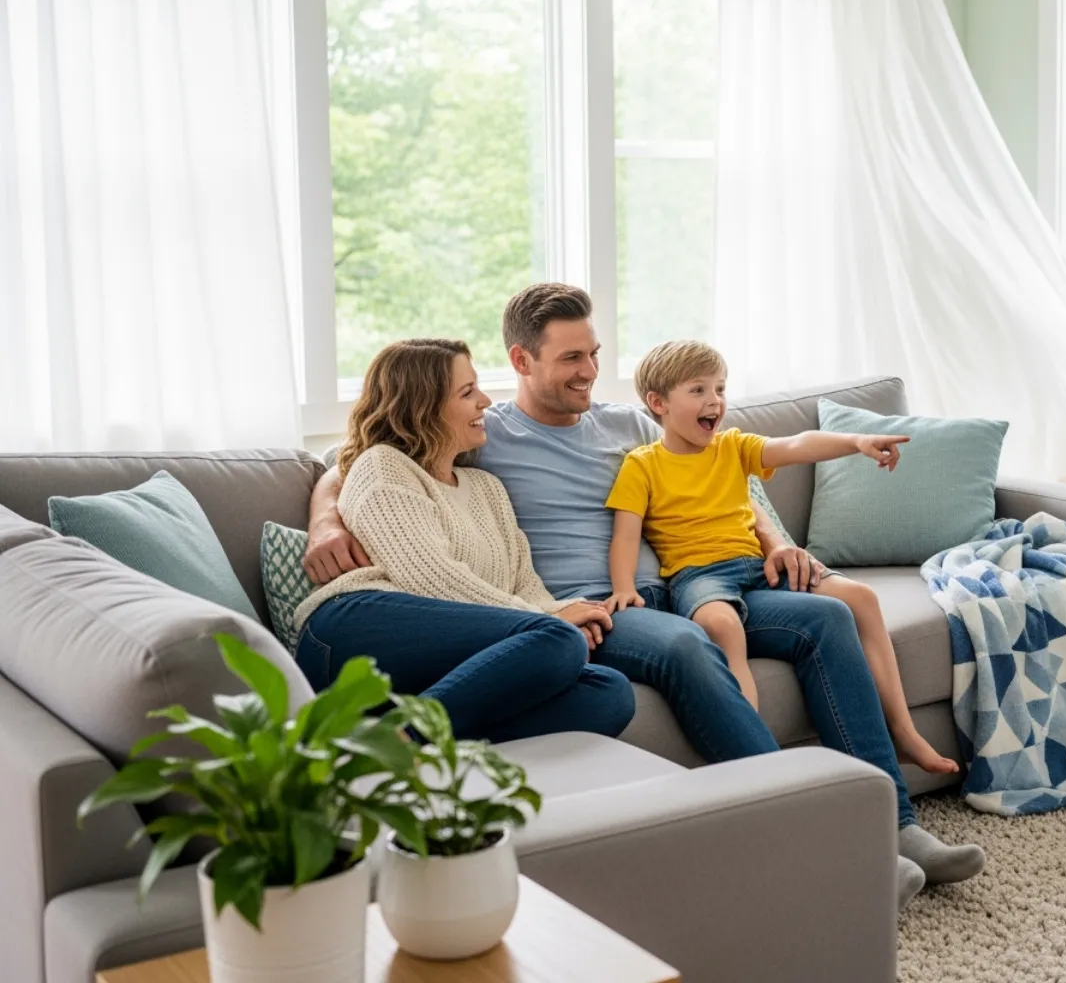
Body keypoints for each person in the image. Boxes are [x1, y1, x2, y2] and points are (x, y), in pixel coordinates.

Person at [304, 285, 984, 909]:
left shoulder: (630, 424)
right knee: (689, 648)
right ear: (522, 359)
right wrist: (326, 519)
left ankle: (896, 827)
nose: (589, 371)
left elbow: (726, 478)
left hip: (686, 584)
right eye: (570, 357)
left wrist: (775, 540)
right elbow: (363, 455)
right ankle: (814, 840)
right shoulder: (492, 435)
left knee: (827, 617)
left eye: (595, 354)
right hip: (594, 605)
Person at [607, 339, 960, 778]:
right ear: (657, 403)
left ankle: (903, 731)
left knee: (861, 597)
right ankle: (751, 759)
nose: (714, 400)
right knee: (722, 626)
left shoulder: (733, 446)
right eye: (698, 390)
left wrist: (856, 441)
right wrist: (624, 588)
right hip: (699, 577)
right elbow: (625, 535)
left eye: (719, 389)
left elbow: (797, 445)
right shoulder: (642, 465)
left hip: (758, 566)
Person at [292, 338, 633, 745]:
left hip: (437, 655)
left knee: (609, 691)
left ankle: (402, 736)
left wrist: (562, 610)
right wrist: (550, 623)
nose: (485, 401)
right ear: (424, 406)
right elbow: (430, 578)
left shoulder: (487, 488)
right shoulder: (384, 466)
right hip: (354, 628)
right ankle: (405, 740)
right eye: (468, 392)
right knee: (559, 641)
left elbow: (522, 583)